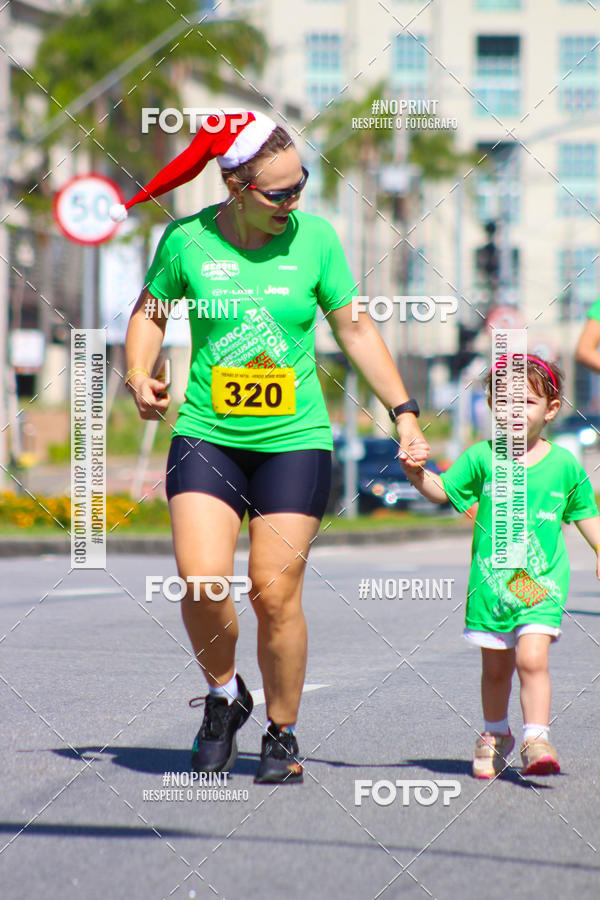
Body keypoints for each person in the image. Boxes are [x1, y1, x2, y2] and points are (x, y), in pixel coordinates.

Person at [118, 110, 429, 784]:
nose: (294, 203)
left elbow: (356, 330)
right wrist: (138, 374)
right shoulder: (186, 242)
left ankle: (282, 733)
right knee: (202, 579)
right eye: (279, 193)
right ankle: (225, 696)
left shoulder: (315, 241)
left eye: (301, 187)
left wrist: (403, 412)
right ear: (234, 185)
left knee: (272, 592)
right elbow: (150, 312)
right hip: (208, 435)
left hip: (295, 440)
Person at [400, 355, 600, 778]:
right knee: (495, 669)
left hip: (538, 586)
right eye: (504, 401)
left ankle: (536, 737)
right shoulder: (481, 457)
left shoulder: (564, 464)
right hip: (490, 588)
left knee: (531, 659)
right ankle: (495, 734)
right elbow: (443, 492)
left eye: (525, 402)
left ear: (550, 409)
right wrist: (418, 475)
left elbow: (586, 513)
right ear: (491, 405)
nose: (514, 412)